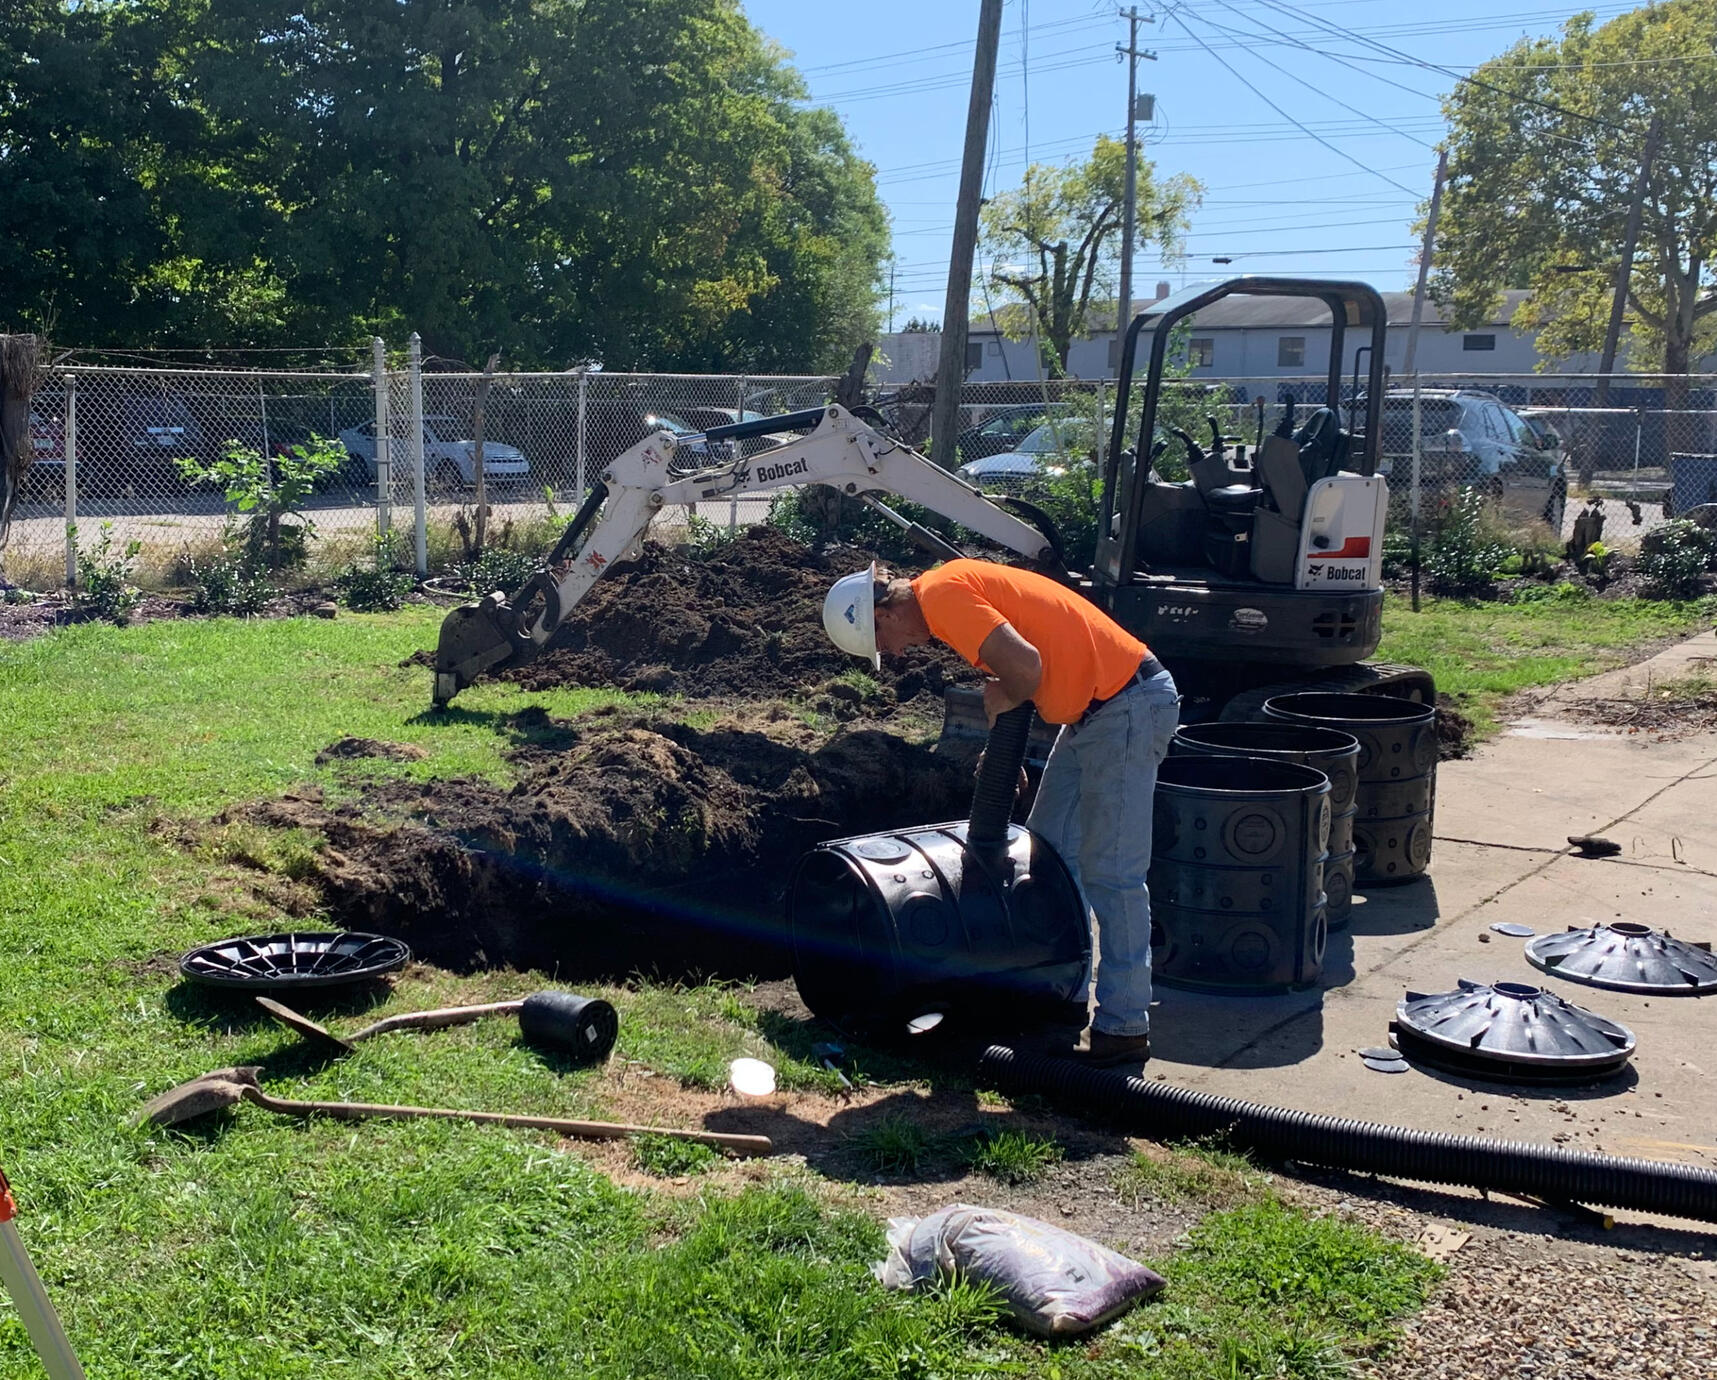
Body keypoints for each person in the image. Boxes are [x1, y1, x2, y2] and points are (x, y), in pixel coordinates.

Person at [821, 558, 1177, 1066]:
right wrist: (1003, 735)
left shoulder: (943, 597)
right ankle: (1066, 990)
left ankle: (1124, 1026)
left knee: (1112, 872)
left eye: (885, 643)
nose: (896, 653)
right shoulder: (945, 595)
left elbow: (1025, 669)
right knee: (1049, 853)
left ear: (883, 612)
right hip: (1090, 713)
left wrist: (998, 699)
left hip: (1127, 705)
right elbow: (1027, 668)